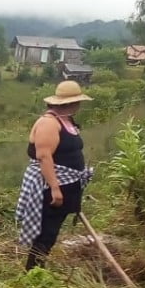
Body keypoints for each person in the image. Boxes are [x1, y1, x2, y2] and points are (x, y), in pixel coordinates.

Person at [16, 81, 94, 270]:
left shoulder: (67, 121)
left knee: (52, 231)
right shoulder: (48, 123)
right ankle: (33, 273)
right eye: (77, 102)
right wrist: (55, 188)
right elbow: (44, 156)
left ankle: (38, 268)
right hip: (50, 187)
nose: (79, 106)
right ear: (69, 103)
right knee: (46, 232)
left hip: (69, 184)